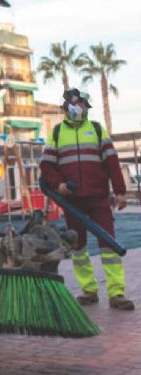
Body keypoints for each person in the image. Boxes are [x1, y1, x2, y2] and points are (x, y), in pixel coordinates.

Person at [40, 88, 134, 311]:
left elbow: (111, 162)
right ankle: (89, 290)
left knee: (109, 245)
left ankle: (116, 293)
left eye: (82, 104)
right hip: (72, 201)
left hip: (98, 198)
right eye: (76, 104)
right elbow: (46, 165)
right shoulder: (56, 133)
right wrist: (59, 184)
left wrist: (120, 191)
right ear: (67, 107)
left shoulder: (97, 130)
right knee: (78, 247)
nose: (79, 108)